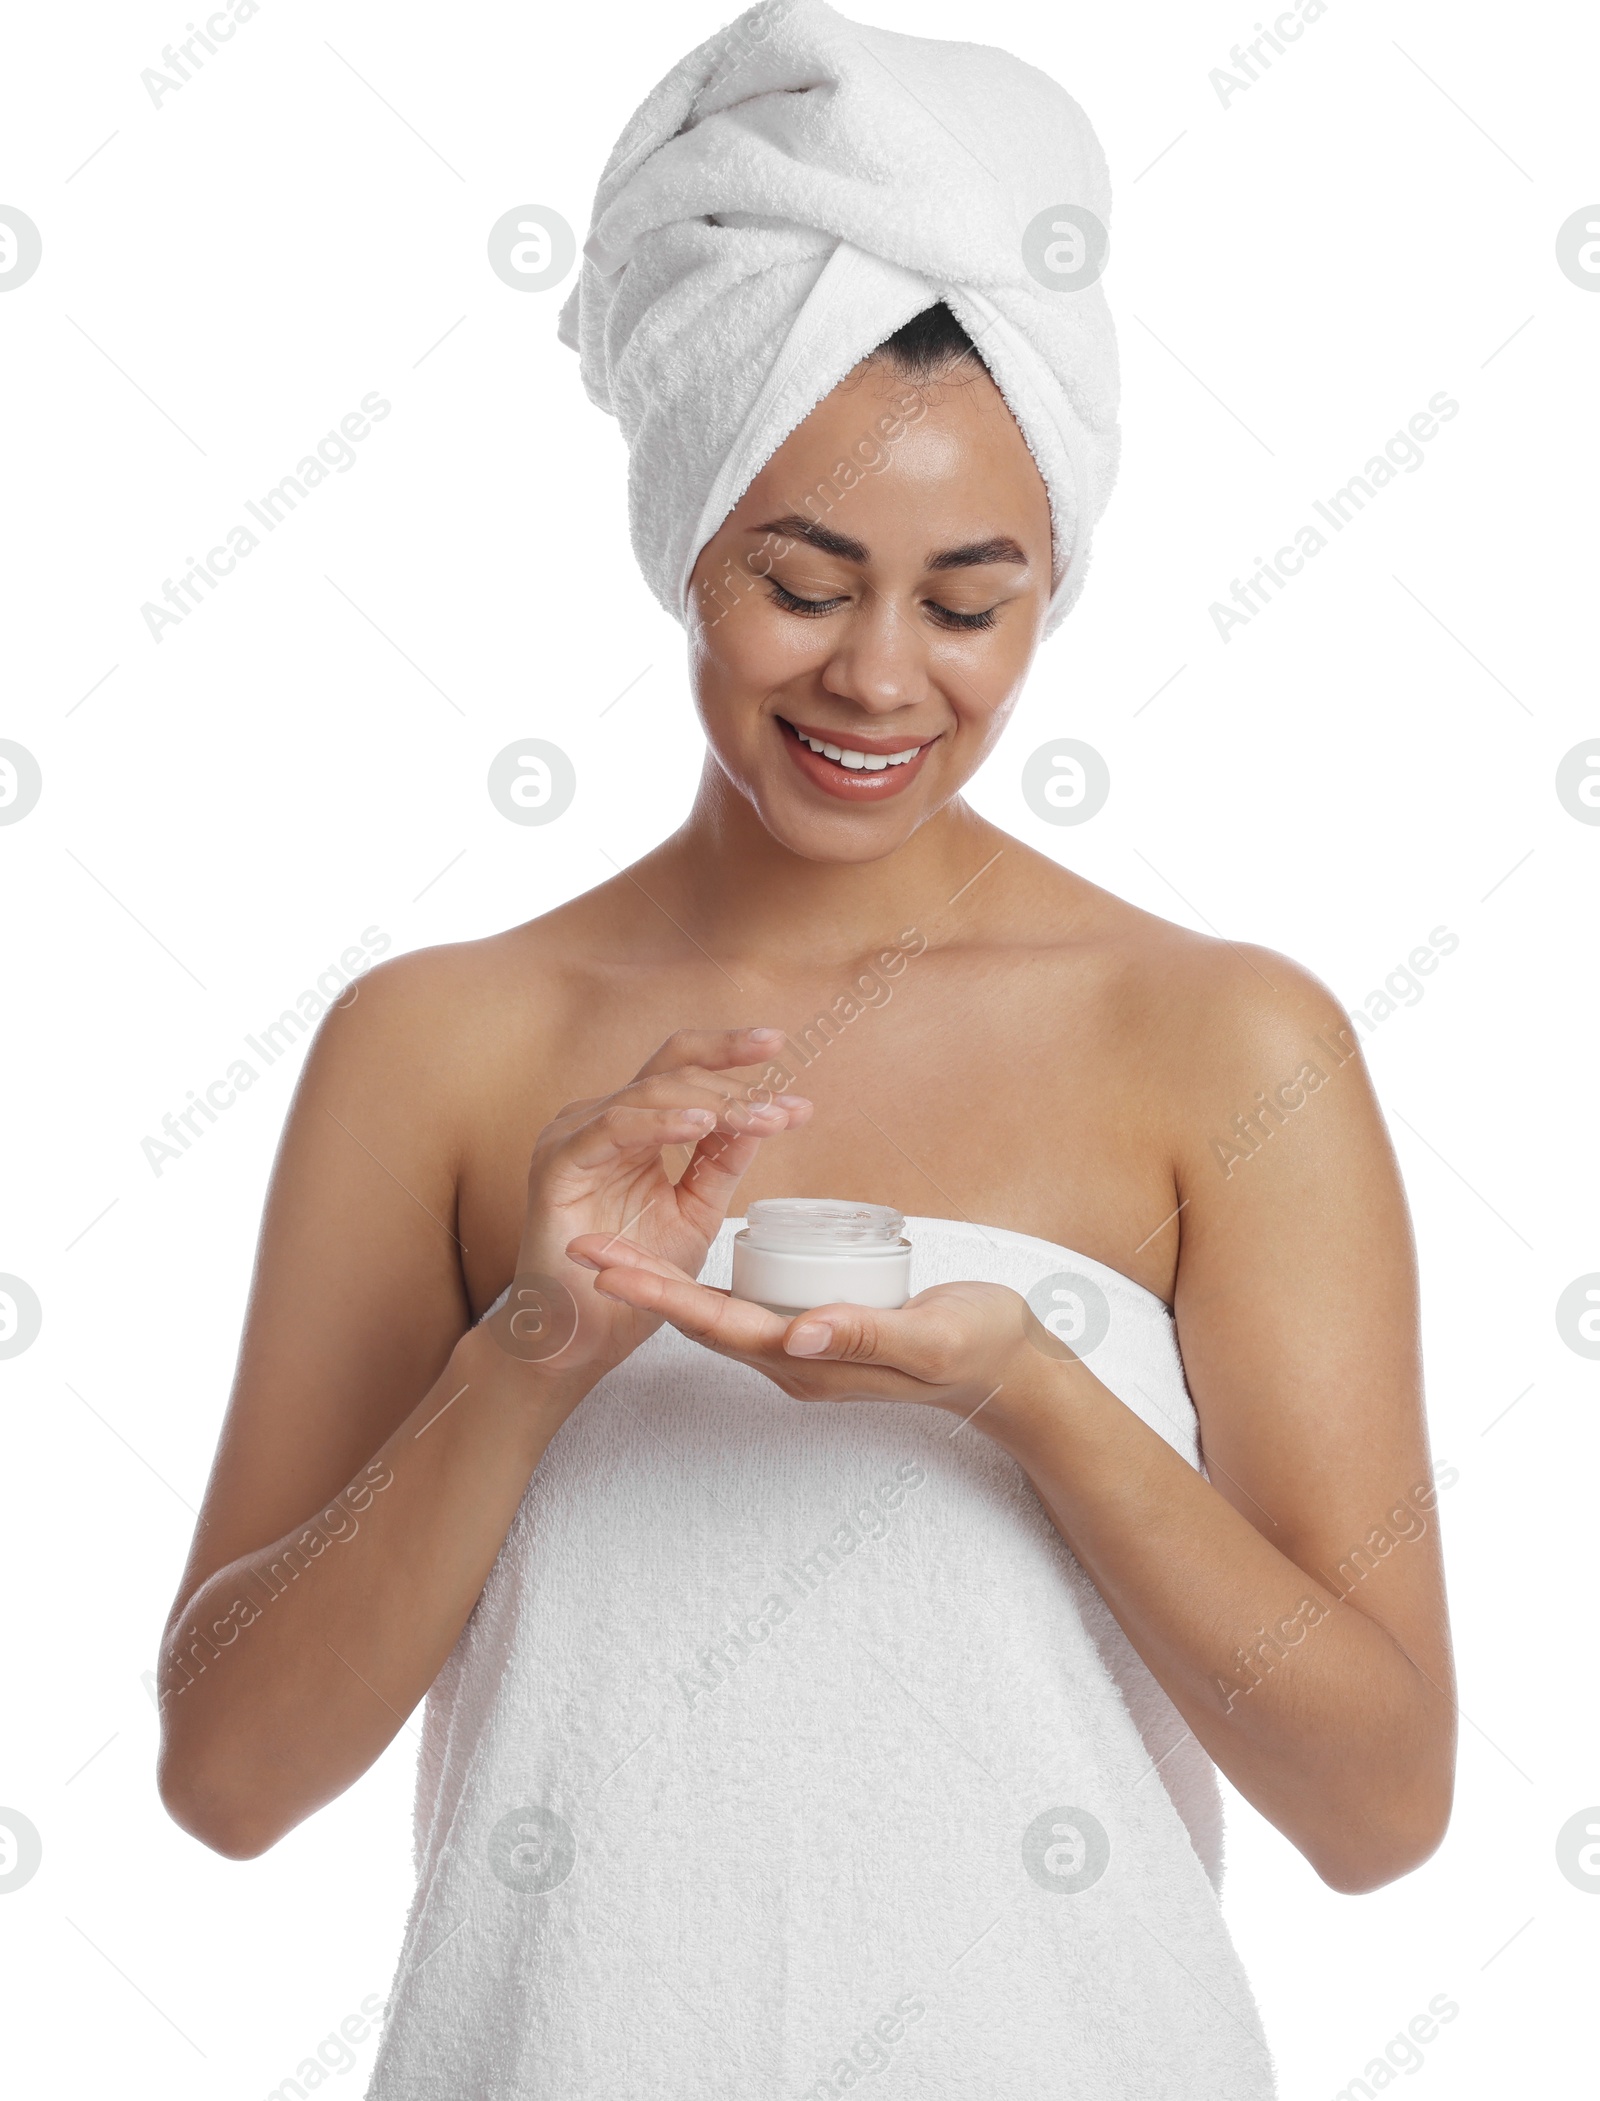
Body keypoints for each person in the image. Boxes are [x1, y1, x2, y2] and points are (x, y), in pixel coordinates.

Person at [156, 3, 1455, 2093]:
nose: (876, 675)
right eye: (800, 577)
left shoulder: (1219, 1042)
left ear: (1049, 595)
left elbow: (1379, 1804)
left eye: (967, 601)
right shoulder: (440, 1046)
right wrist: (536, 1347)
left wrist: (1035, 1393)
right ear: (685, 541)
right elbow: (227, 1770)